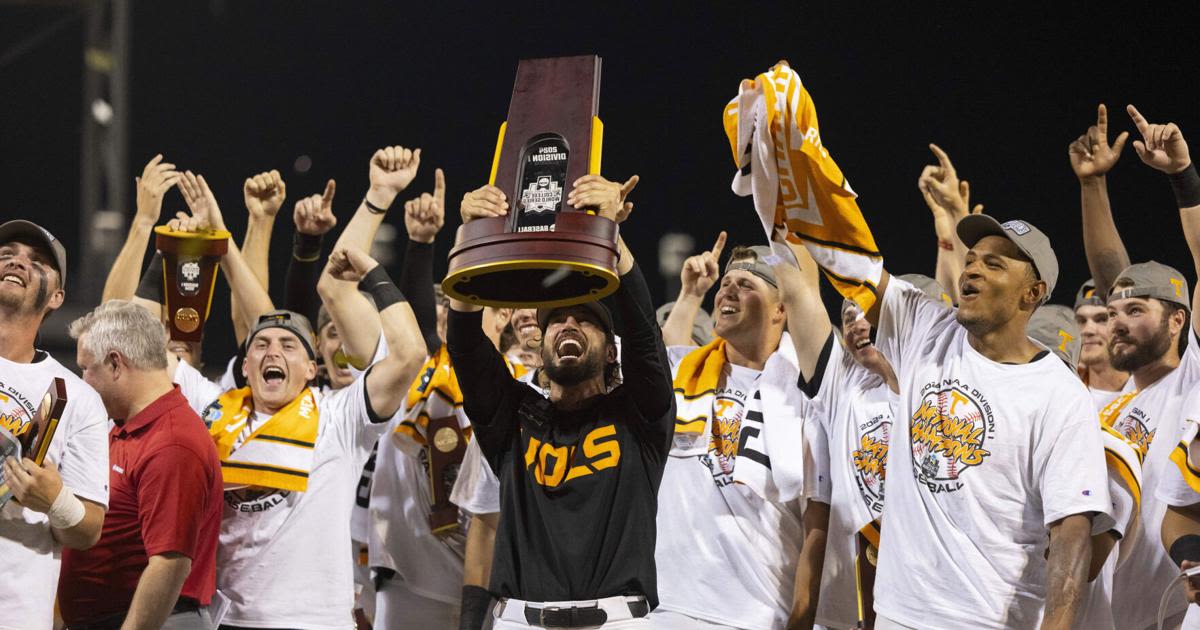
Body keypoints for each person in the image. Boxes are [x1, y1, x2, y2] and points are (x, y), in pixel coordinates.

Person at [154, 155, 427, 629]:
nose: (271, 351)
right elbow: (142, 346)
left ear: (311, 366)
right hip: (229, 620)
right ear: (246, 363)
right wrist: (176, 252)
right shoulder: (216, 407)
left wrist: (373, 275)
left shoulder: (339, 417)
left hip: (315, 621)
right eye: (260, 345)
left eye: (287, 345)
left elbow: (407, 356)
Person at [858, 212, 1112, 629]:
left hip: (988, 620)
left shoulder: (1061, 395)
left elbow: (1071, 531)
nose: (972, 268)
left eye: (994, 264)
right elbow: (851, 264)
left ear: (1032, 292)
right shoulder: (926, 329)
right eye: (972, 259)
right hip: (897, 615)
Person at [447, 173, 674, 629]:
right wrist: (467, 237)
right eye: (556, 320)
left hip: (618, 620)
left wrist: (612, 234)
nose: (568, 324)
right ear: (541, 344)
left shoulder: (641, 417)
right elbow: (467, 348)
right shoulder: (512, 419)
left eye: (586, 319)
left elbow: (644, 333)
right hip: (518, 620)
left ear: (612, 350)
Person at [653, 235, 831, 630]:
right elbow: (670, 354)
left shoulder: (807, 396)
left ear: (781, 310)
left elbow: (818, 521)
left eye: (746, 284)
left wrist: (801, 619)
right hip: (669, 607)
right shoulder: (691, 373)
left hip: (759, 613)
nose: (727, 290)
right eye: (726, 283)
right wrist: (690, 293)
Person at [1074, 103, 1200, 629]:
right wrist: (1092, 185)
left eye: (1136, 310)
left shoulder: (1192, 378)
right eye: (1112, 312)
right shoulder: (1107, 405)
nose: (1116, 321)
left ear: (1177, 322)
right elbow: (1111, 278)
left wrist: (1183, 179)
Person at [58, 301, 222, 630]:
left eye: (86, 368)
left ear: (116, 364)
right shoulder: (129, 426)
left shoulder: (173, 442)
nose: (81, 380)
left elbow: (169, 563)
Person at [0, 219, 109, 630]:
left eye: (37, 261)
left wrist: (53, 501)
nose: (17, 262)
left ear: (57, 297)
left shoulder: (77, 399)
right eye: (6, 254)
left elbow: (89, 531)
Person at [1073, 279, 1129, 408]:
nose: (1087, 330)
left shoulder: (1147, 394)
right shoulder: (1065, 393)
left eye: (1102, 319)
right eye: (1081, 321)